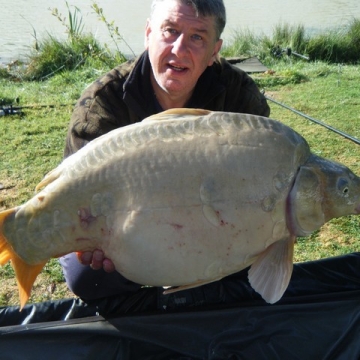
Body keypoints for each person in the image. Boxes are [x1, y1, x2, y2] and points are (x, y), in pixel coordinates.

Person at [60, 0, 270, 302]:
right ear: (148, 33)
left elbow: (261, 184)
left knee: (246, 257)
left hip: (208, 220)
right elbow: (74, 198)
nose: (179, 49)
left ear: (215, 51)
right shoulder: (103, 103)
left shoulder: (240, 98)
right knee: (87, 274)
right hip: (127, 226)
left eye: (198, 37)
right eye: (170, 31)